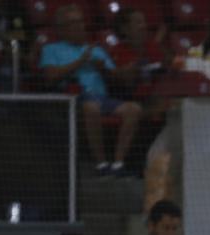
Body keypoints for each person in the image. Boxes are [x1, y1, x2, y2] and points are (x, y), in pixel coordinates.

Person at [40, 4, 142, 175]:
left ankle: (118, 163)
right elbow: (50, 77)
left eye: (81, 21)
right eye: (74, 23)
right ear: (62, 29)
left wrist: (105, 69)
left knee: (134, 109)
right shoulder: (51, 49)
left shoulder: (96, 50)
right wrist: (80, 61)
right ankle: (101, 164)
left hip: (102, 98)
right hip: (73, 100)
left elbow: (116, 75)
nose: (81, 26)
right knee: (91, 107)